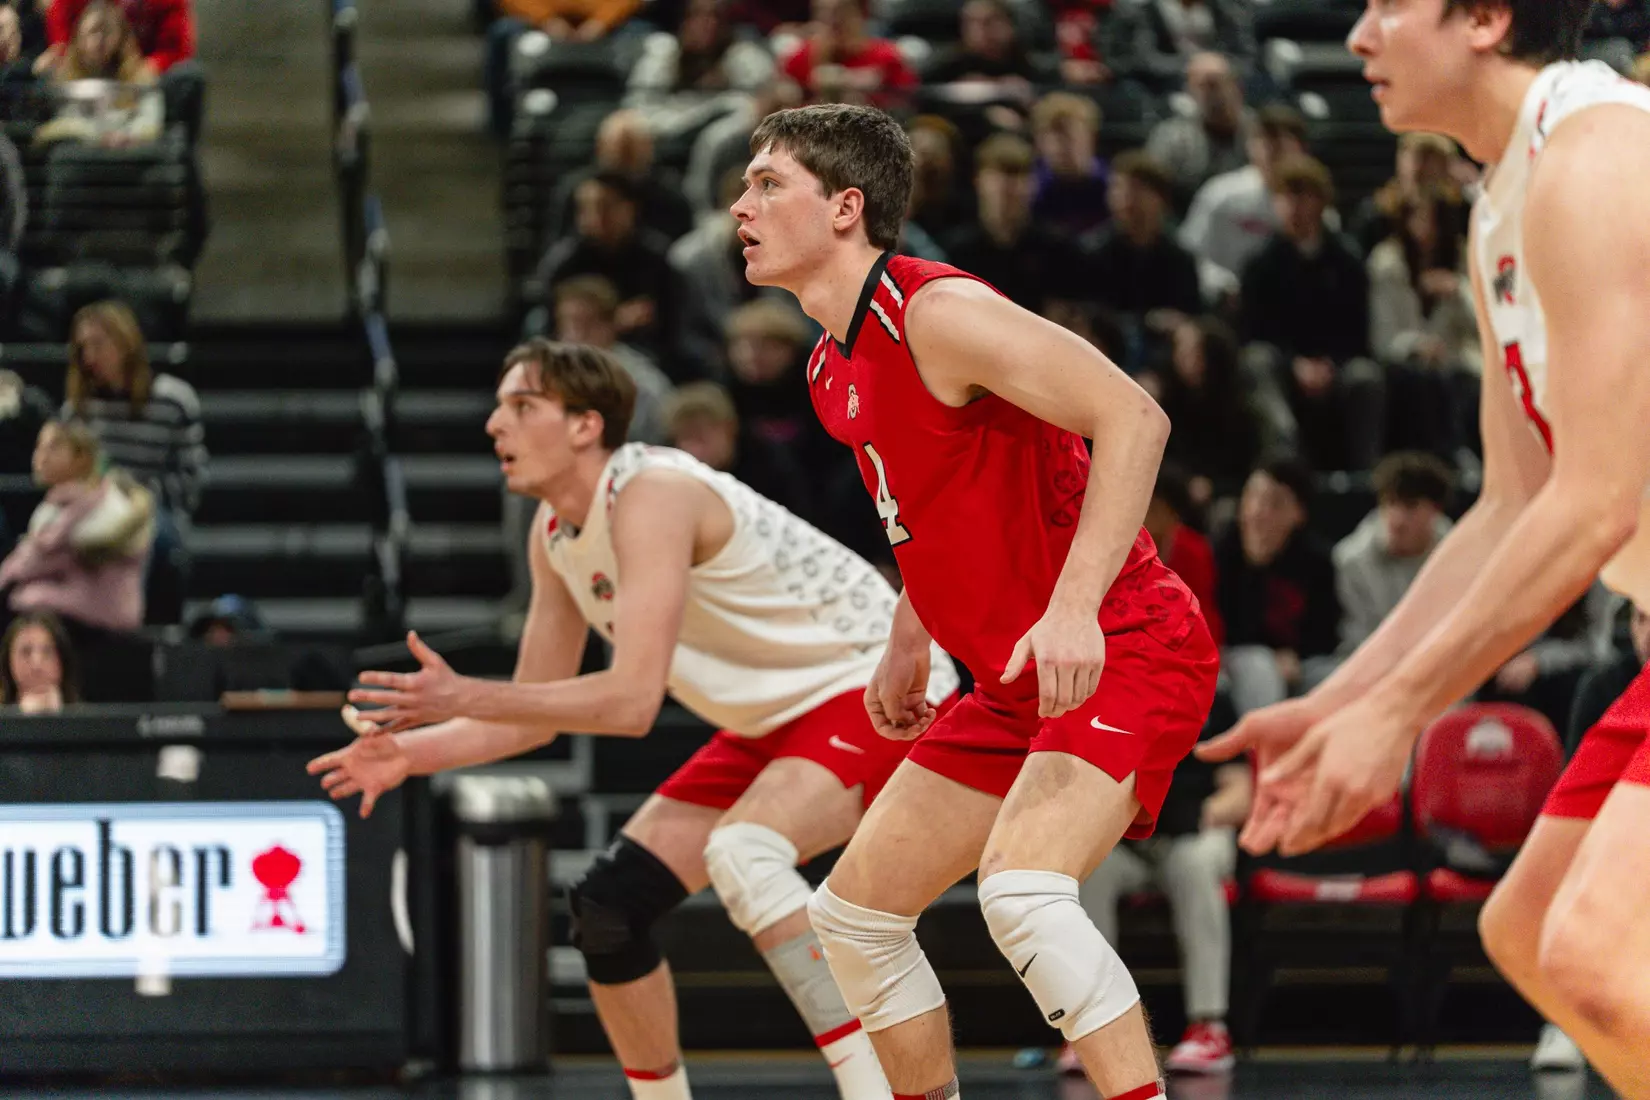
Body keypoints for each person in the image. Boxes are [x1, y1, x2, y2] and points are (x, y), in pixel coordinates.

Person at [308, 339, 960, 1100]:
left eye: (521, 406)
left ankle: (875, 1089)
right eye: (498, 406)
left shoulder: (651, 492)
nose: (494, 425)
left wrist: (470, 695)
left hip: (874, 683)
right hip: (770, 721)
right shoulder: (554, 535)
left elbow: (629, 701)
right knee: (608, 909)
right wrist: (411, 754)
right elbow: (532, 717)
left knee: (746, 852)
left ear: (587, 425)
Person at [1198, 3, 1650, 1095]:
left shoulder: (1600, 156)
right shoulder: (1504, 193)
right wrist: (1343, 697)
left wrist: (1400, 716)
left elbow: (1597, 506)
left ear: (1487, 18)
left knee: (1594, 953)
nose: (1357, 36)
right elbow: (1510, 504)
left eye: (1385, 6)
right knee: (1530, 928)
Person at [733, 104, 1218, 1100]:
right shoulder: (832, 364)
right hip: (1008, 677)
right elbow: (927, 509)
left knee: (1025, 892)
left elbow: (1134, 415)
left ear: (845, 208)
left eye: (769, 183)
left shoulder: (936, 314)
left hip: (1124, 641)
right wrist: (909, 636)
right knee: (855, 916)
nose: (741, 203)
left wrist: (1078, 604)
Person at [0, 419, 154, 642]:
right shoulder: (59, 503)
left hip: (104, 611)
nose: (41, 457)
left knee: (22, 600)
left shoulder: (107, 506)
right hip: (75, 600)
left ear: (82, 458)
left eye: (53, 448)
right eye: (39, 447)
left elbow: (34, 563)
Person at [0, 609, 79, 712]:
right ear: (8, 661)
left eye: (47, 651)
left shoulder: (90, 723)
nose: (36, 664)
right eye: (26, 652)